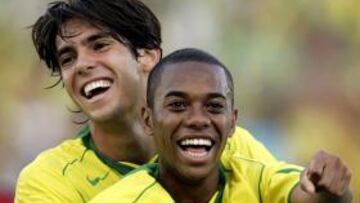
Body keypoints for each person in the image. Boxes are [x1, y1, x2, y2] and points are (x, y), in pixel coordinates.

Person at [14, 0, 351, 202]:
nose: (82, 65)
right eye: (68, 58)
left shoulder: (232, 149)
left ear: (147, 57)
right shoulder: (47, 181)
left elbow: (302, 194)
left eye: (99, 45)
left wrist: (327, 188)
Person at [90, 48, 352, 203]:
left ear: (232, 122)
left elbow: (310, 196)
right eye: (178, 105)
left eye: (214, 106)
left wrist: (330, 187)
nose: (197, 120)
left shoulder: (255, 179)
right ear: (148, 120)